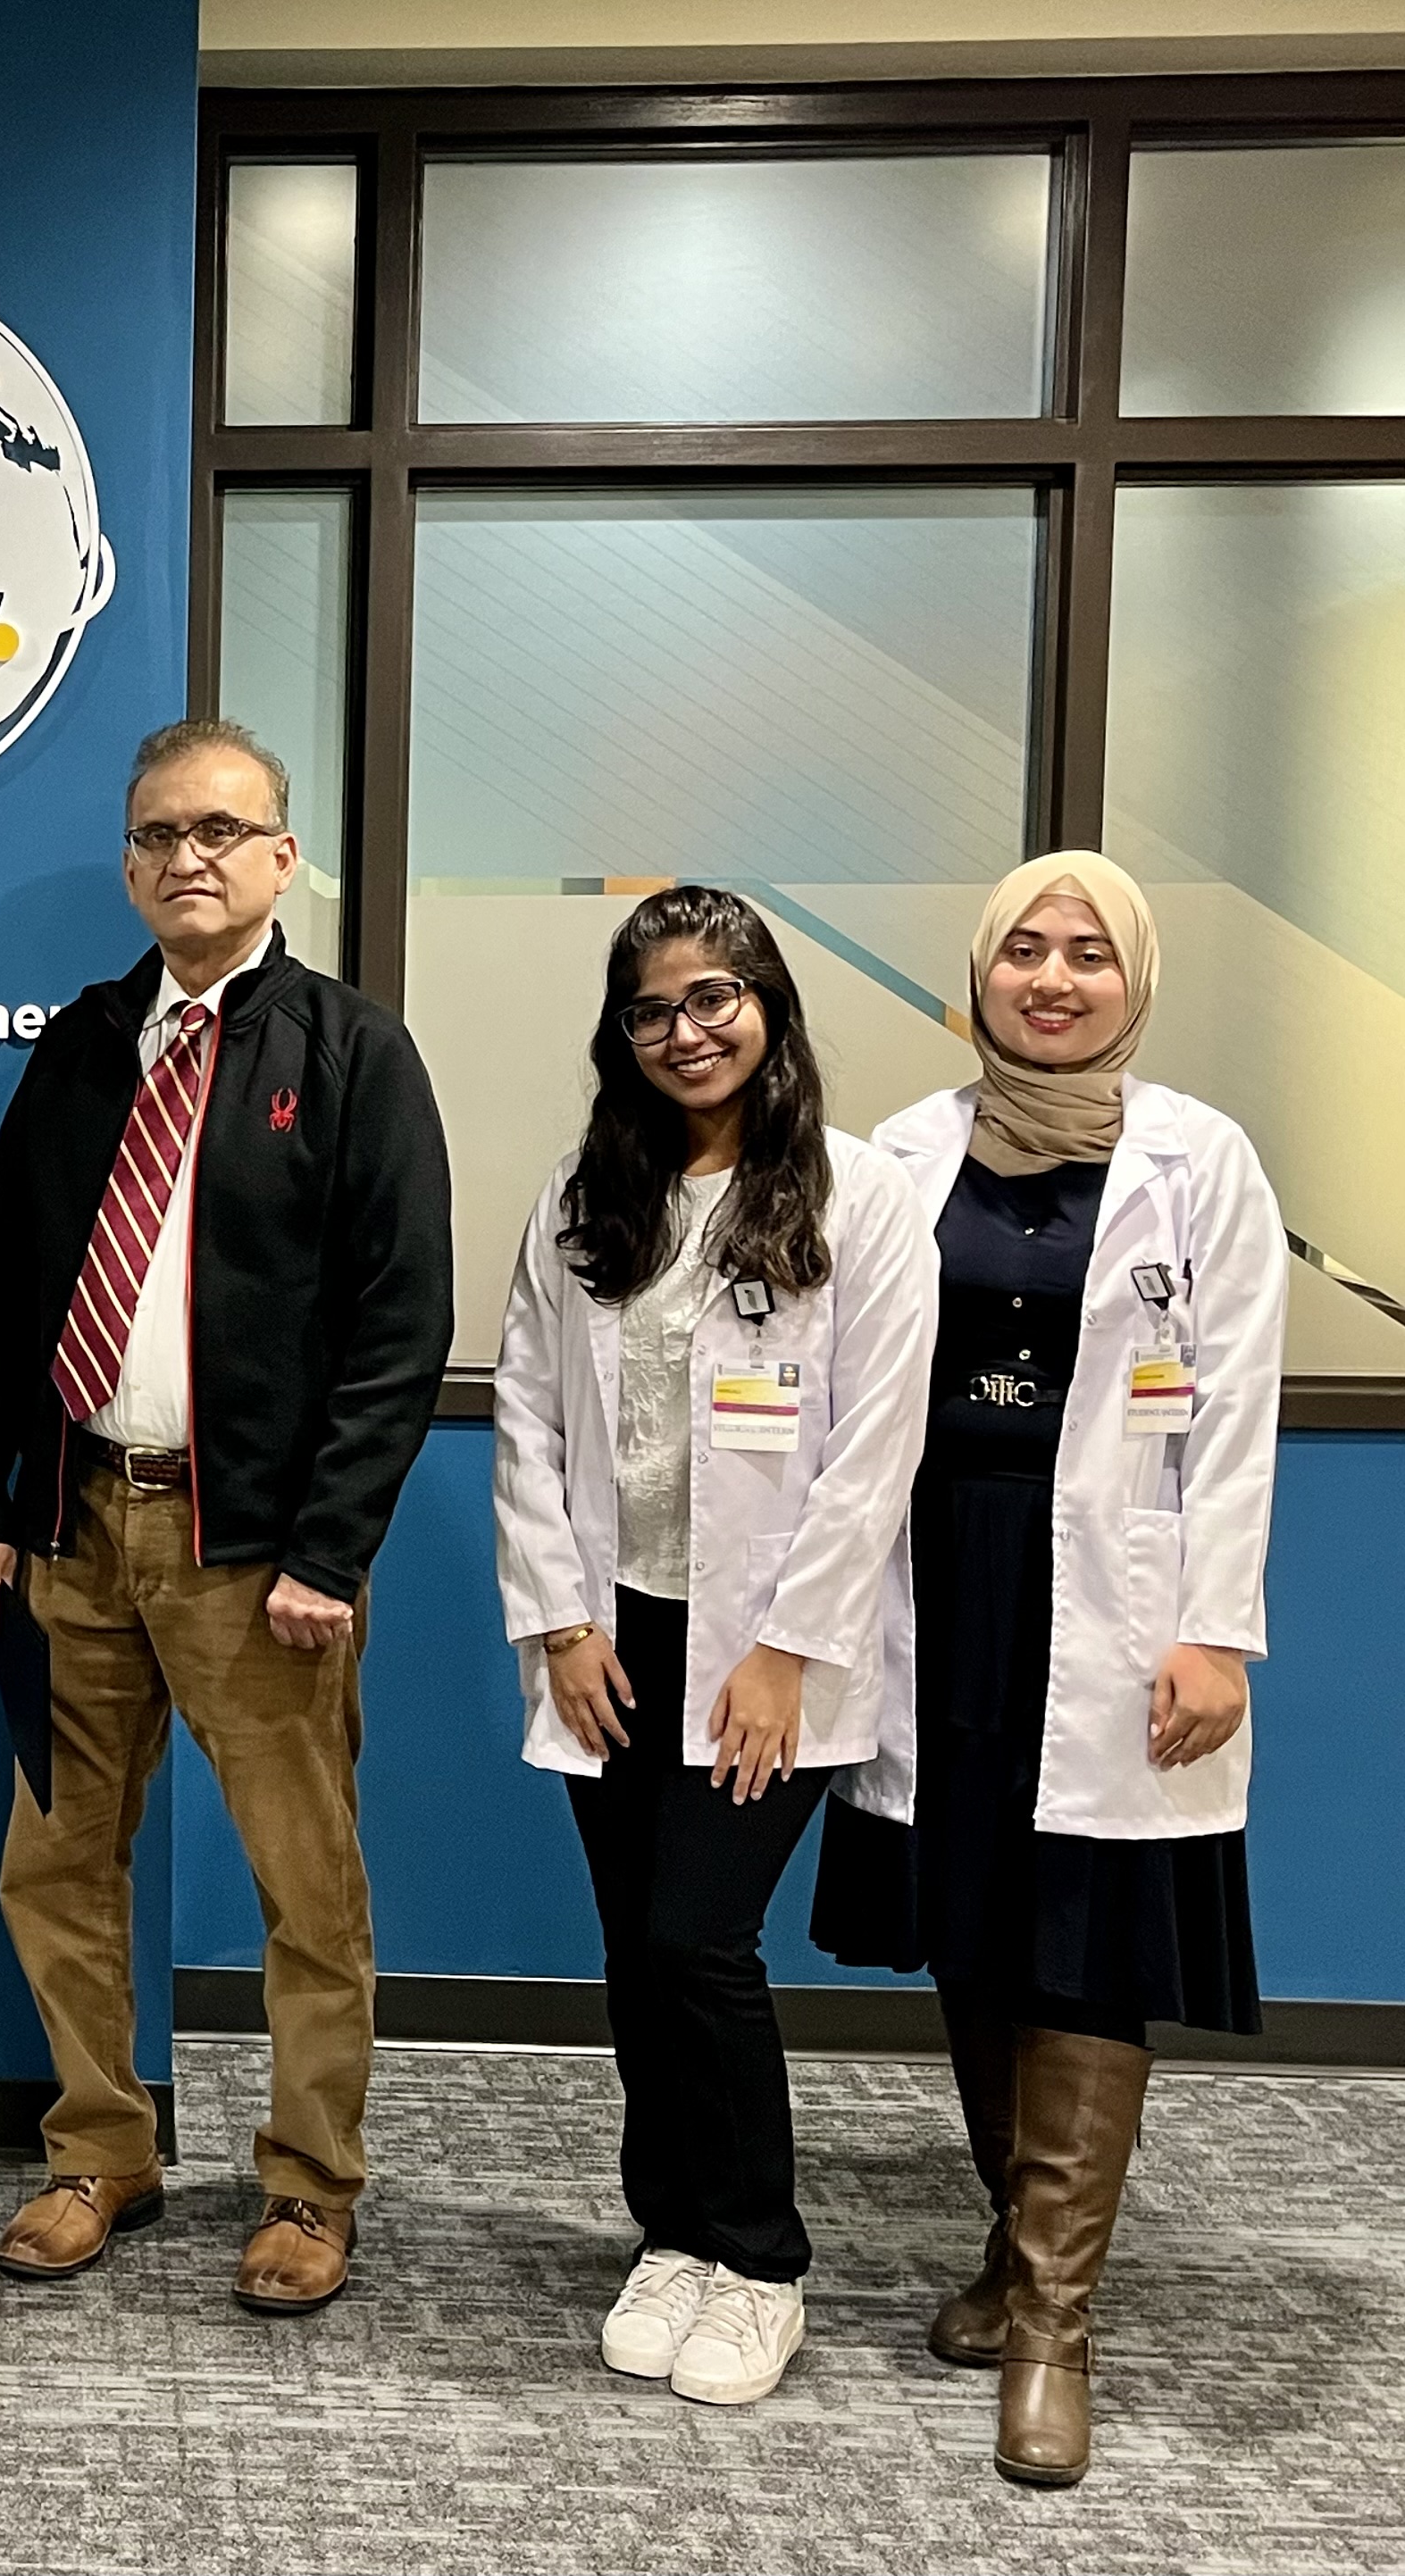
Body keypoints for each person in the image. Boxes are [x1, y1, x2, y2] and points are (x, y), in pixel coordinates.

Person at [0, 717, 453, 2316]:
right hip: (79, 1527)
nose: (189, 858)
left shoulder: (353, 1053)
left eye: (221, 830)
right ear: (131, 863)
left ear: (283, 857)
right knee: (54, 1864)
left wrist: (331, 1551)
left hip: (258, 1558)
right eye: (160, 833)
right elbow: (7, 1292)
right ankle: (102, 2148)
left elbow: (399, 1325)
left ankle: (309, 2183)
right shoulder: (84, 1046)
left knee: (308, 1886)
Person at [812, 850, 1284, 2485]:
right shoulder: (901, 1153)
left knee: (1085, 1931)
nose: (1054, 978)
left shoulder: (1201, 1160)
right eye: (1026, 948)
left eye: (1089, 952)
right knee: (972, 1918)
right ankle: (1013, 2246)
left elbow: (1235, 1412)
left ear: (1134, 980)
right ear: (979, 973)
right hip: (938, 1573)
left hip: (1120, 1591)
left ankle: (1053, 2326)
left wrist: (1215, 1628)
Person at [491, 887, 934, 2407]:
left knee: (700, 1938)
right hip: (617, 1630)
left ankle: (759, 2259)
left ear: (769, 1006)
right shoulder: (586, 1194)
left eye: (714, 997)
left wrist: (788, 1649)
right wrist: (559, 1618)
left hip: (766, 1643)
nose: (685, 1031)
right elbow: (528, 1414)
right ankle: (671, 2230)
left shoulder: (861, 1197)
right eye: (652, 1008)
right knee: (636, 1947)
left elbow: (876, 1449)